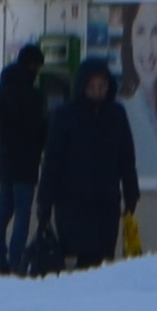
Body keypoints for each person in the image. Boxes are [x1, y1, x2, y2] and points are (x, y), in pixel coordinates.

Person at [33, 58, 134, 274]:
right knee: (84, 255)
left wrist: (131, 191)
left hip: (106, 201)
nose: (98, 92)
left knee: (103, 257)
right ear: (82, 87)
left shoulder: (116, 115)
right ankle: (83, 300)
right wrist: (44, 202)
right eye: (93, 87)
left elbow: (126, 156)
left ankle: (93, 301)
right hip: (73, 202)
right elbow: (53, 162)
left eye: (103, 86)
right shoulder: (65, 116)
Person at [0, 44, 55, 272]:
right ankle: (16, 262)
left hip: (4, 160)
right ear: (33, 65)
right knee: (22, 213)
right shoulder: (31, 94)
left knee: (3, 210)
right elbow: (37, 129)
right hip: (25, 162)